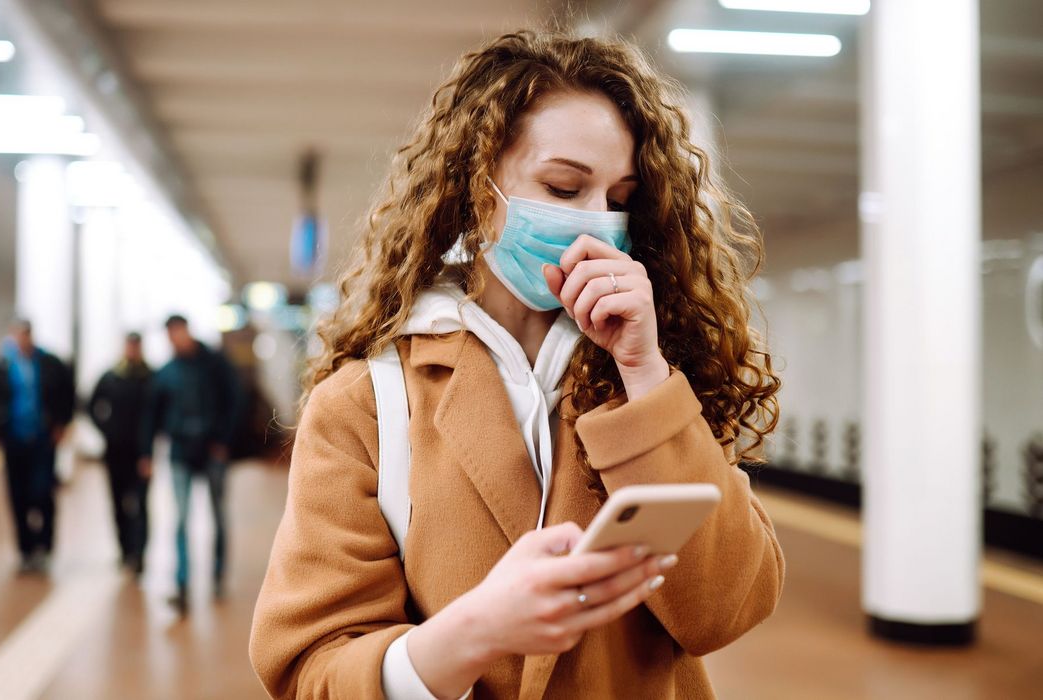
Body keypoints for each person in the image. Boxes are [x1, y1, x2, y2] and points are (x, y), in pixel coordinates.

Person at [250, 30, 784, 699]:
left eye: (619, 200)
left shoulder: (657, 378)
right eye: (563, 187)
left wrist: (645, 372)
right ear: (479, 192)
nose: (596, 224)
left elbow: (726, 607)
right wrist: (475, 630)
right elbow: (311, 670)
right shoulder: (369, 401)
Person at [140, 315, 245, 613]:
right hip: (180, 454)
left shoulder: (215, 364)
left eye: (178, 333)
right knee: (181, 519)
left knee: (218, 516)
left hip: (213, 453)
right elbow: (152, 416)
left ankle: (218, 575)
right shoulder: (166, 373)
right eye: (170, 335)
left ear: (186, 331)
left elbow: (235, 401)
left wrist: (224, 441)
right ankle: (182, 584)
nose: (176, 339)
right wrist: (146, 454)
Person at [0, 319, 75, 575]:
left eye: (24, 334)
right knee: (18, 496)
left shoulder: (50, 363)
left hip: (43, 440)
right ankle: (25, 550)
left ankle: (44, 547)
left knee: (42, 493)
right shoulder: (1, 366)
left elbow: (69, 394)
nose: (20, 339)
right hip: (14, 441)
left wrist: (62, 424)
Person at [89, 332, 153, 576]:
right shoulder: (111, 377)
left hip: (142, 454)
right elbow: (91, 405)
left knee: (140, 504)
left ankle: (138, 553)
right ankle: (125, 550)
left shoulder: (150, 377)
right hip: (115, 453)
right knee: (118, 502)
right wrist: (107, 430)